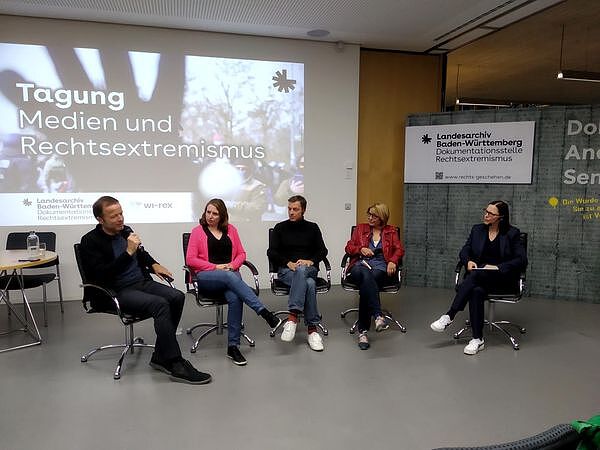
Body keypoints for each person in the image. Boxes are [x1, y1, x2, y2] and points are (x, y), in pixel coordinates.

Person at [80, 196, 212, 384]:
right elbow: (102, 276)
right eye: (113, 216)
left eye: (121, 213)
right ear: (100, 220)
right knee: (159, 304)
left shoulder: (126, 231)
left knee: (176, 296)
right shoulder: (90, 242)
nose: (120, 219)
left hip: (140, 282)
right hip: (115, 291)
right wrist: (128, 253)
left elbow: (141, 254)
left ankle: (160, 356)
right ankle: (175, 362)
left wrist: (154, 264)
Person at [185, 198, 282, 366]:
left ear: (222, 216)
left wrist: (232, 265)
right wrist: (216, 267)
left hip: (230, 278)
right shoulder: (197, 231)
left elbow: (241, 254)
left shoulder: (231, 230)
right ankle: (264, 313)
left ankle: (233, 347)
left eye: (215, 213)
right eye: (208, 212)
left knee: (235, 297)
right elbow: (191, 260)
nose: (211, 216)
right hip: (206, 277)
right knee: (231, 276)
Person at [430, 200, 527, 355]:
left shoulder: (512, 233)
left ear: (500, 217)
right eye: (485, 211)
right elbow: (464, 250)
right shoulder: (477, 230)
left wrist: (497, 267)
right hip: (478, 278)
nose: (486, 215)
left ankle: (450, 315)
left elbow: (521, 260)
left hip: (501, 279)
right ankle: (477, 339)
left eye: (491, 213)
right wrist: (468, 261)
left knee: (475, 277)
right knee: (476, 291)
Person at [267, 195, 328, 351]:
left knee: (303, 271)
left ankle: (292, 318)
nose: (291, 212)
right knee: (309, 283)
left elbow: (323, 250)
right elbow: (271, 252)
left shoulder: (312, 227)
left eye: (295, 209)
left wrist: (310, 261)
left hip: (309, 269)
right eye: (289, 209)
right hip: (287, 271)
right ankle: (312, 331)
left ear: (303, 210)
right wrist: (288, 263)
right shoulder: (280, 228)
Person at [344, 203, 404, 350]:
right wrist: (361, 249)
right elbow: (349, 247)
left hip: (381, 266)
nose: (370, 218)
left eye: (374, 215)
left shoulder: (391, 231)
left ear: (382, 217)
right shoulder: (361, 228)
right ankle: (377, 316)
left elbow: (399, 249)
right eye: (369, 214)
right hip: (360, 264)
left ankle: (362, 333)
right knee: (365, 274)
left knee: (366, 285)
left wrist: (392, 261)